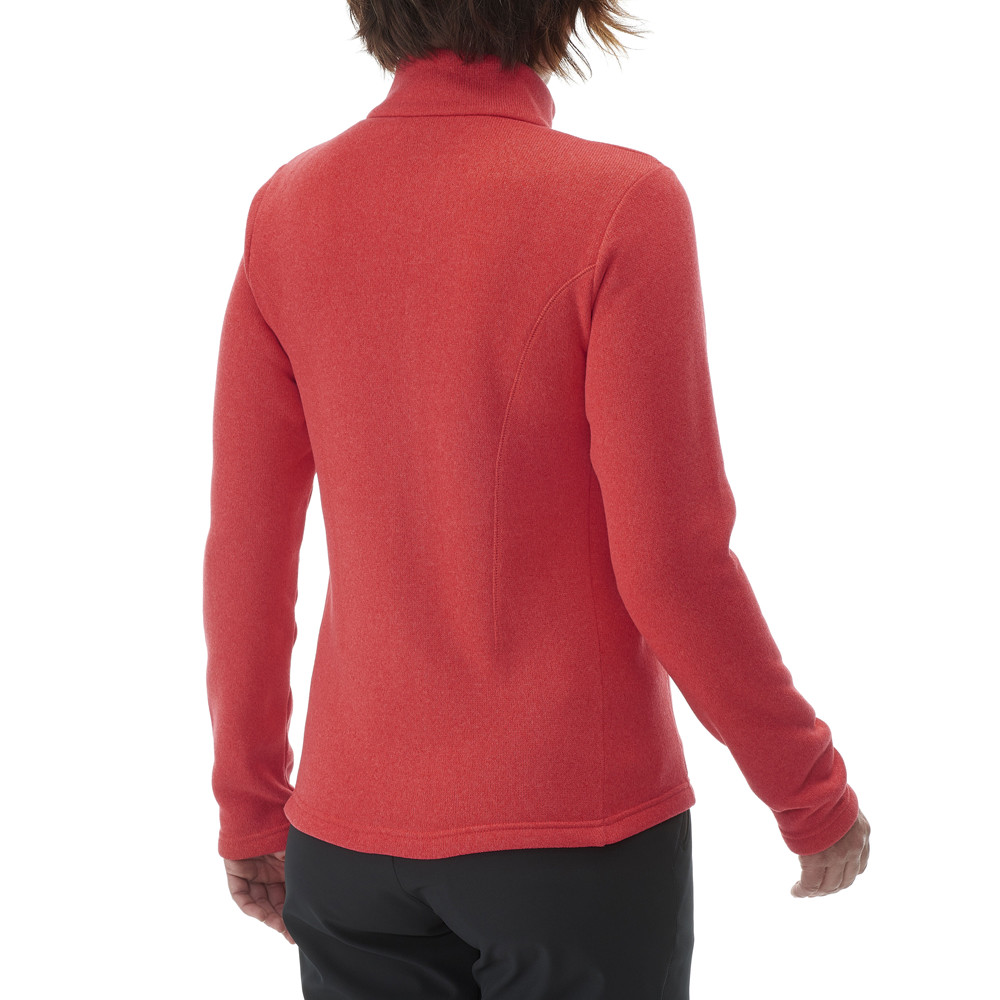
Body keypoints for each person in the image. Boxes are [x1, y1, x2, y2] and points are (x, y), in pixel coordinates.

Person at [203, 2, 871, 997]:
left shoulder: (287, 208)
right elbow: (672, 561)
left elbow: (247, 553)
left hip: (348, 844)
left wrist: (251, 804)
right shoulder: (619, 202)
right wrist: (808, 790)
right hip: (572, 840)